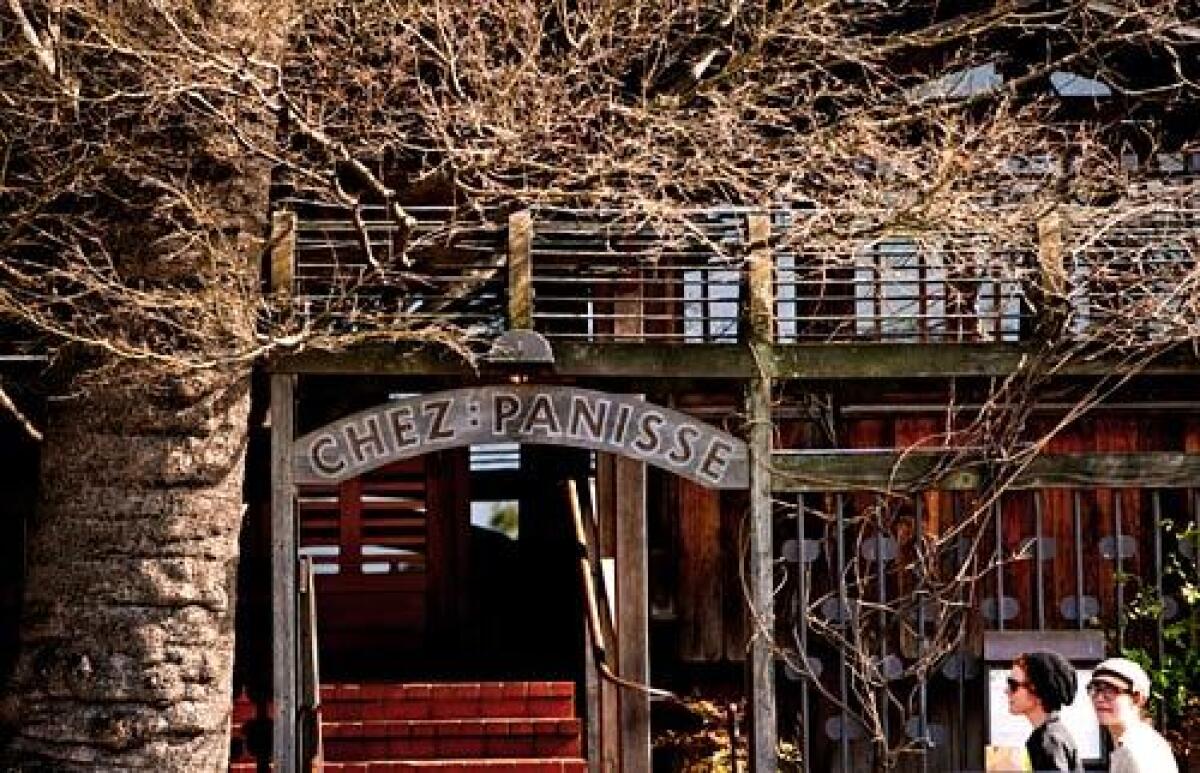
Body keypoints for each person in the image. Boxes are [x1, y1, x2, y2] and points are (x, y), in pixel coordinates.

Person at [1087, 657, 1178, 773]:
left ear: (1137, 698)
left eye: (1110, 691)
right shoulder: (1135, 741)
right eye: (1095, 690)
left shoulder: (1137, 750)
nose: (1099, 698)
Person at [1007, 651, 1083, 771]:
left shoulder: (1049, 740)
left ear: (1037, 691)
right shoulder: (1052, 733)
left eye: (1013, 685)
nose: (1006, 691)